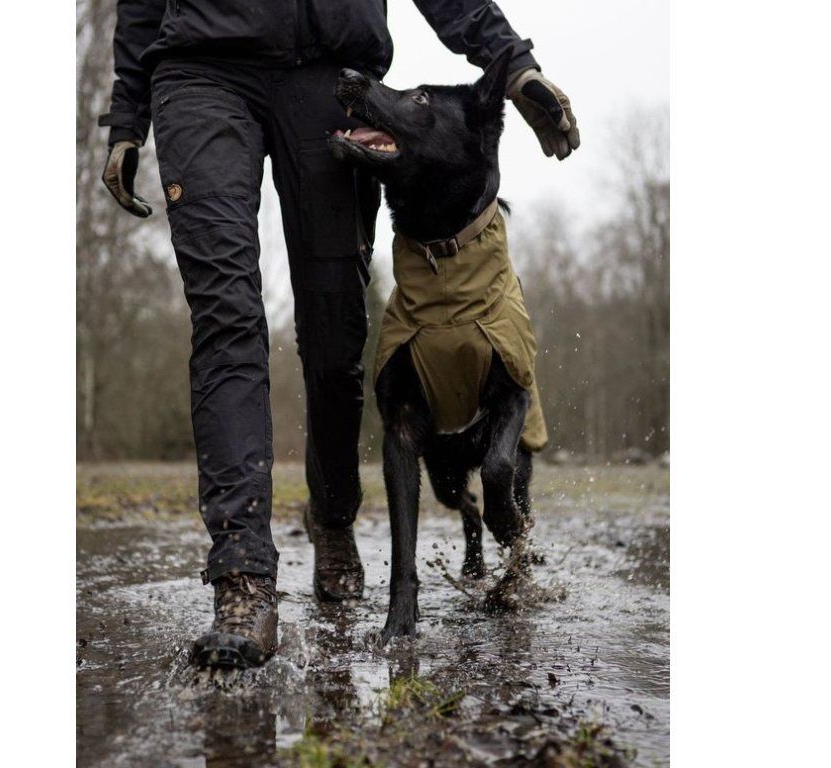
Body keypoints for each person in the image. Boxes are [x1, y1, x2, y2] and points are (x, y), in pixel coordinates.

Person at [99, 0, 579, 668]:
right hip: (201, 69)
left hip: (331, 77)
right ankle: (242, 579)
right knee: (226, 319)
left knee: (335, 339)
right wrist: (127, 113)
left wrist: (513, 62)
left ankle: (331, 517)